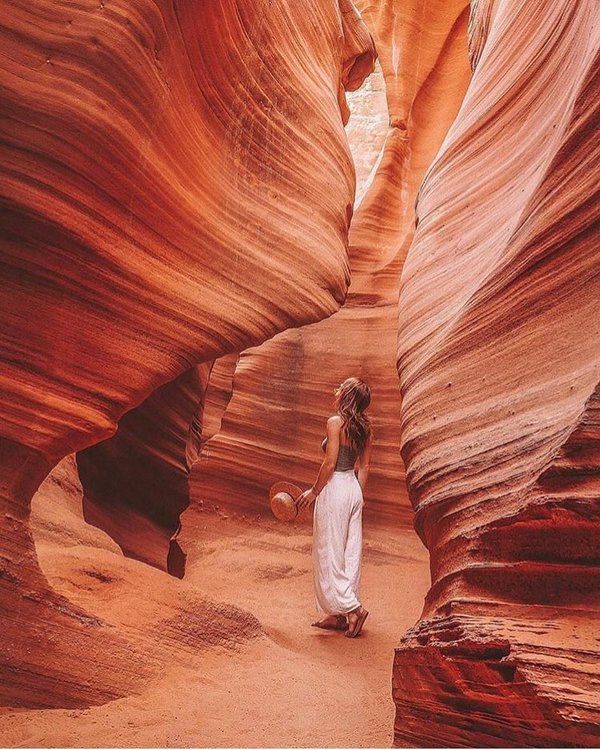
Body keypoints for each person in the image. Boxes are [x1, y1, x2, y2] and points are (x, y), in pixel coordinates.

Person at [296, 377, 372, 638]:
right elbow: (364, 466)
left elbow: (329, 464)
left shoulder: (335, 422)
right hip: (353, 488)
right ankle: (338, 616)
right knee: (348, 552)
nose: (335, 389)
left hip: (336, 488)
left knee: (329, 549)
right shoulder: (365, 429)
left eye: (340, 387)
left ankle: (352, 609)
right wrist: (358, 495)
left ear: (347, 396)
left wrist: (314, 492)